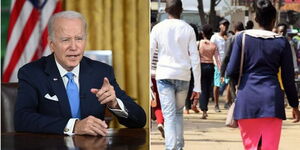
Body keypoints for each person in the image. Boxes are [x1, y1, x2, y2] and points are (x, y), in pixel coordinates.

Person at [14, 11, 146, 136]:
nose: (74, 46)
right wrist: (74, 126)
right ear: (52, 44)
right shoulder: (31, 73)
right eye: (66, 40)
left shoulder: (101, 72)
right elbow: (22, 119)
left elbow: (140, 120)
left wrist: (115, 104)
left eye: (79, 39)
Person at [226, 0, 300, 149]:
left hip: (247, 101)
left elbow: (231, 71)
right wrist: (294, 105)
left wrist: (237, 93)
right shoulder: (281, 42)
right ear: (274, 20)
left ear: (256, 19)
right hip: (271, 102)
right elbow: (288, 79)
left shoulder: (242, 38)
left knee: (252, 146)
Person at [150, 0, 201, 149]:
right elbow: (195, 59)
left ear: (166, 10)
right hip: (183, 75)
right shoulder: (188, 29)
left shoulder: (158, 28)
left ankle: (172, 147)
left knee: (170, 115)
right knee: (178, 113)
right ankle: (178, 146)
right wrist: (197, 86)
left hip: (164, 75)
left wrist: (148, 81)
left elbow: (150, 53)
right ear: (181, 10)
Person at [198, 24, 221, 119]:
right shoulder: (213, 45)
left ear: (203, 33)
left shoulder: (199, 43)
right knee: (208, 88)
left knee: (202, 88)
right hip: (211, 66)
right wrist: (220, 70)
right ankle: (205, 108)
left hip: (201, 66)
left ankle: (203, 109)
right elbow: (217, 59)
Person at [220, 22, 245, 101]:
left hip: (233, 68)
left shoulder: (231, 39)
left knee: (233, 91)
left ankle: (236, 105)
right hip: (245, 69)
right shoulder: (247, 38)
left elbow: (226, 56)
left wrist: (222, 72)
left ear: (234, 29)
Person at [210, 18, 230, 112]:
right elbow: (211, 50)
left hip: (228, 64)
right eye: (223, 24)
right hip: (218, 64)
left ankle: (227, 102)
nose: (225, 26)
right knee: (217, 84)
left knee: (229, 83)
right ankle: (216, 104)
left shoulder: (230, 36)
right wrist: (214, 61)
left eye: (226, 25)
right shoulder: (215, 37)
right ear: (220, 26)